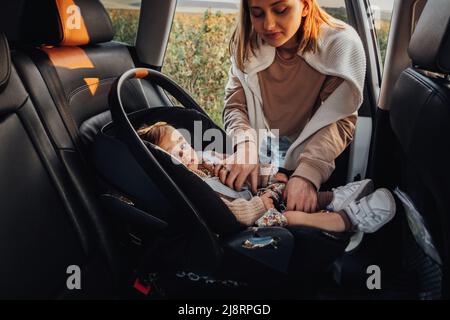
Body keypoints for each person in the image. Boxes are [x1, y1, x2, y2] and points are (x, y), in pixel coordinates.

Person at [222, 0, 366, 213]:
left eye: (281, 10)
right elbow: (235, 105)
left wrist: (307, 173)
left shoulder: (339, 45)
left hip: (318, 153)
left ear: (306, 6)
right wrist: (245, 145)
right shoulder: (247, 43)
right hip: (265, 150)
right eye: (257, 13)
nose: (269, 25)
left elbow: (339, 121)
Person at [137, 122, 395, 233]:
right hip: (252, 219)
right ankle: (347, 220)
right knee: (290, 217)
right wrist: (260, 205)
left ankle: (333, 198)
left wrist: (270, 174)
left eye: (184, 142)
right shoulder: (191, 188)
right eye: (178, 152)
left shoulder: (206, 160)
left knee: (287, 189)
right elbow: (231, 213)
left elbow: (239, 167)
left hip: (260, 196)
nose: (187, 152)